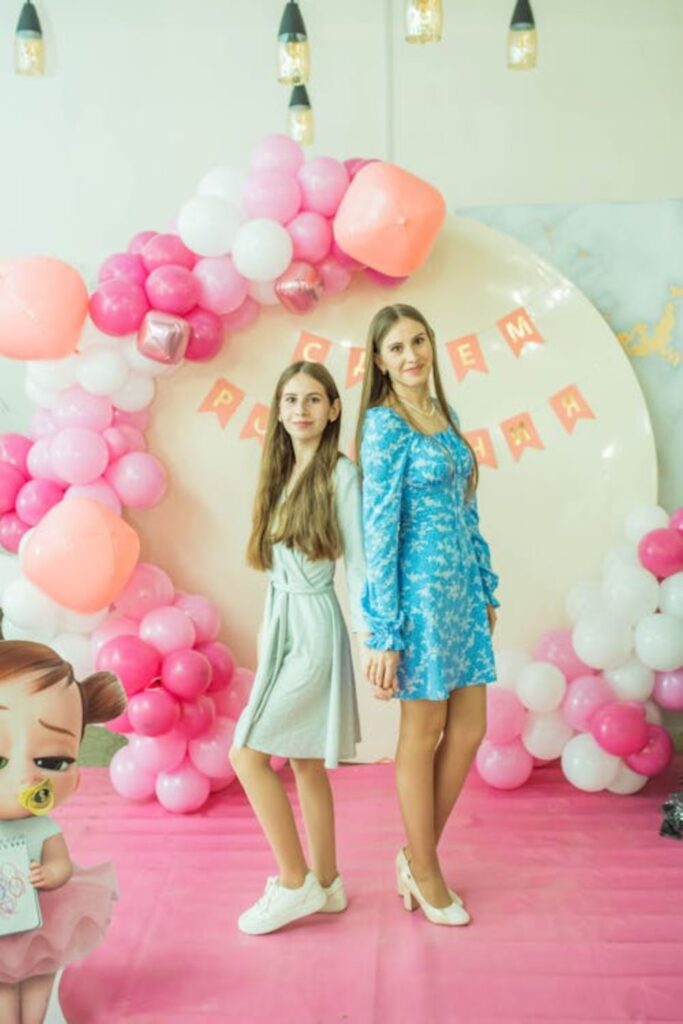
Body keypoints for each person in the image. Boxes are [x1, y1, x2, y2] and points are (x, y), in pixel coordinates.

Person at [356, 304, 500, 928]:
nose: (412, 355)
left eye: (418, 341)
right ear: (382, 362)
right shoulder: (384, 427)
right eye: (397, 348)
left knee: (468, 729)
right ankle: (426, 868)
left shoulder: (446, 416)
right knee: (421, 735)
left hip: (461, 596)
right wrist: (384, 631)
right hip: (415, 602)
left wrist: (487, 588)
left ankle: (415, 856)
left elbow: (468, 513)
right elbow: (378, 532)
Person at [230, 361, 366, 936]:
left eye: (314, 400)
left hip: (313, 627)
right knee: (307, 761)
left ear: (333, 409)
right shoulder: (281, 470)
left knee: (248, 756)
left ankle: (294, 882)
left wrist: (371, 642)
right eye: (291, 399)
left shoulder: (341, 474)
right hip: (281, 621)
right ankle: (328, 885)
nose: (301, 410)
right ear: (279, 410)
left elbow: (358, 563)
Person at [0, 639, 126, 1024]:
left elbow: (61, 864)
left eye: (51, 760)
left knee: (39, 974)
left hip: (42, 918)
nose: (27, 776)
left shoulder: (44, 828)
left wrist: (51, 875)